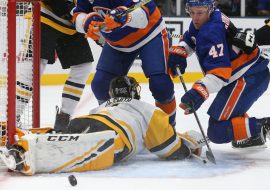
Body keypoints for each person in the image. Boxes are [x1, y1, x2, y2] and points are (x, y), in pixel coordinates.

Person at [0, 76, 205, 175]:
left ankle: (18, 145)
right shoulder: (146, 109)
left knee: (63, 137)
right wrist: (187, 146)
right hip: (113, 135)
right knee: (74, 153)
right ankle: (25, 157)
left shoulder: (105, 105)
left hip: (85, 120)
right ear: (134, 91)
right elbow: (167, 148)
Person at [72, 0, 177, 126]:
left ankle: (168, 129)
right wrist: (86, 21)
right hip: (117, 43)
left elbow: (143, 17)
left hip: (149, 35)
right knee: (100, 85)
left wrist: (124, 17)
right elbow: (77, 14)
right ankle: (112, 126)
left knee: (161, 86)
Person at [15, 0, 100, 133]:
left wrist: (97, 24)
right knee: (36, 67)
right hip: (45, 17)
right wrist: (76, 15)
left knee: (83, 65)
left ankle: (64, 117)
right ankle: (10, 120)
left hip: (69, 25)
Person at [168, 0, 270, 149]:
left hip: (248, 77)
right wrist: (181, 50)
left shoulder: (211, 32)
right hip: (249, 72)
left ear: (210, 8)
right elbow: (191, 37)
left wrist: (199, 92)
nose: (195, 18)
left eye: (199, 13)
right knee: (223, 122)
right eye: (192, 12)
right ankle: (253, 135)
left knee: (217, 131)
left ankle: (262, 127)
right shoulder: (210, 17)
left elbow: (220, 74)